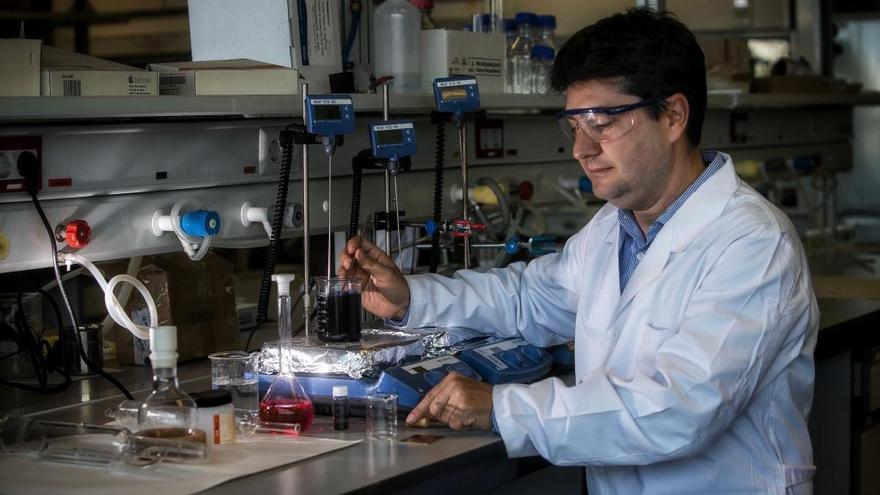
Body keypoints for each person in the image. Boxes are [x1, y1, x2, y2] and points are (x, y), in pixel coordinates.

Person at [338, 7, 819, 494]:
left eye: (601, 122)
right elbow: (529, 298)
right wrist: (409, 299)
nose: (581, 149)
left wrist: (502, 406)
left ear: (673, 116)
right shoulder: (615, 226)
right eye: (574, 125)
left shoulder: (752, 242)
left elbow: (677, 411)